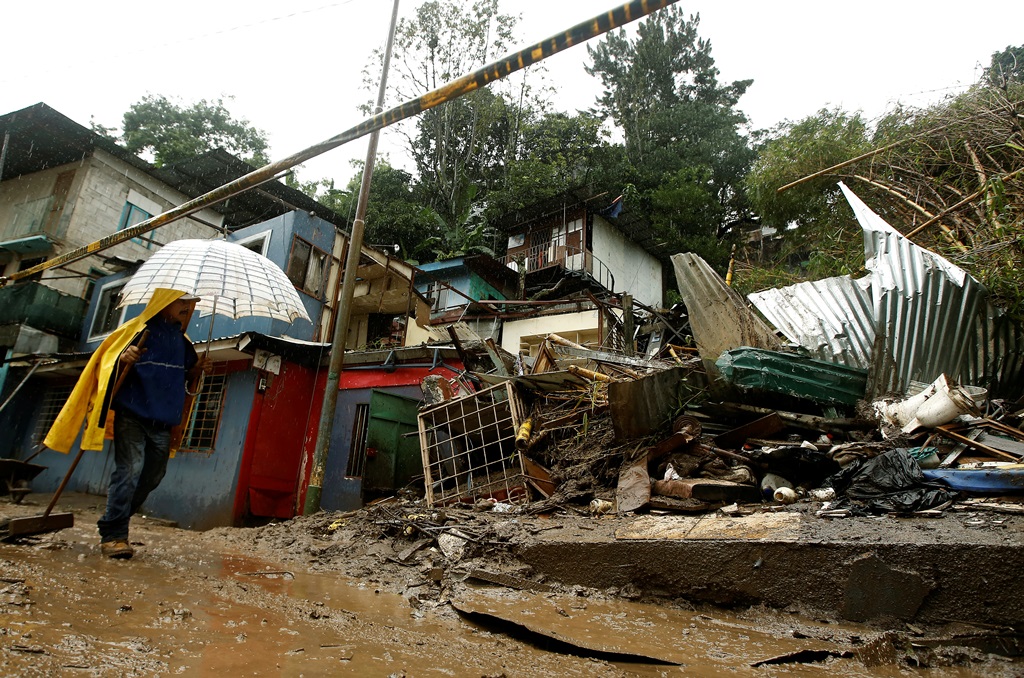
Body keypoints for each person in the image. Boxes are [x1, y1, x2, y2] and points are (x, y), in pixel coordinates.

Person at [44, 288, 211, 559]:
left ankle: (113, 518)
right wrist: (123, 359)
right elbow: (110, 364)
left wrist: (198, 369)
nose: (187, 307)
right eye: (181, 301)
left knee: (153, 476)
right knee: (130, 470)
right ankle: (115, 534)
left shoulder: (183, 342)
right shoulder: (137, 331)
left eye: (190, 303)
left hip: (163, 421)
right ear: (163, 303)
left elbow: (189, 373)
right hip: (132, 415)